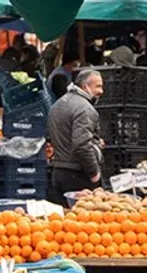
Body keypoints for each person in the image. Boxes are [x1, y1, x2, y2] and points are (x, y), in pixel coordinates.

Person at [46, 69, 105, 206]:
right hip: (78, 175)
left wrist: (95, 142)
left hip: (59, 172)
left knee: (65, 222)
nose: (101, 91)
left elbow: (60, 135)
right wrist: (94, 174)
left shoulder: (58, 105)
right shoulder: (85, 108)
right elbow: (81, 145)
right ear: (85, 87)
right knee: (83, 222)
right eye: (98, 86)